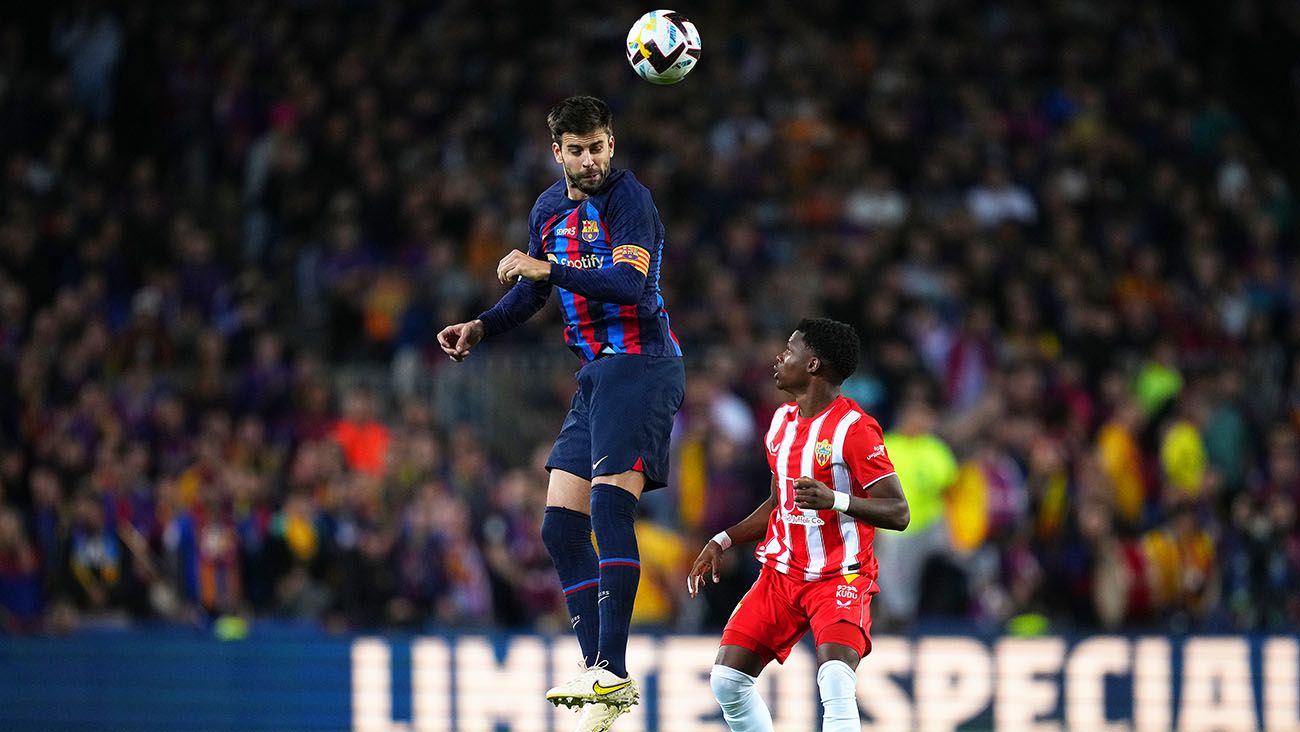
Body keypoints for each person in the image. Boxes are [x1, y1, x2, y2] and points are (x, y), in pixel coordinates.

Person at [437, 95, 684, 732]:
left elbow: (629, 284)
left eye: (598, 146)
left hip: (642, 363)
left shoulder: (631, 201)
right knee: (559, 529)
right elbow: (533, 291)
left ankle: (613, 672)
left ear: (610, 143)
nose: (591, 159)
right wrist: (482, 327)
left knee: (607, 507)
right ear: (558, 152)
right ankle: (597, 669)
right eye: (577, 150)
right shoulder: (548, 209)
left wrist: (545, 265)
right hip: (596, 376)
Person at [688, 318, 910, 732]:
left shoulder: (855, 430)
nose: (779, 357)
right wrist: (724, 538)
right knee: (727, 681)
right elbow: (778, 502)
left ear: (812, 365)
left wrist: (836, 500)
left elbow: (899, 511)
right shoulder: (780, 423)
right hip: (781, 575)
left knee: (836, 681)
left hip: (839, 577)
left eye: (790, 350)